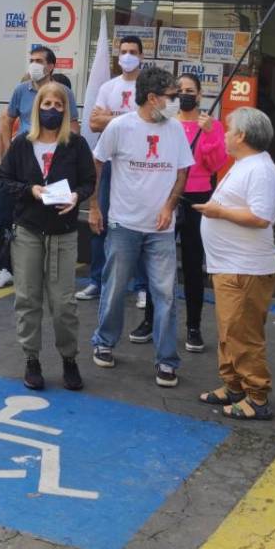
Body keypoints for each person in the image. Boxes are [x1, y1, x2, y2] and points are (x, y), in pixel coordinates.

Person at [88, 66, 193, 388]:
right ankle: (104, 341)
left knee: (165, 294)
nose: (177, 102)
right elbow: (98, 163)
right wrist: (94, 205)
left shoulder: (175, 130)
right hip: (123, 224)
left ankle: (166, 361)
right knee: (115, 288)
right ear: (152, 98)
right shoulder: (120, 127)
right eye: (172, 97)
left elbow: (182, 171)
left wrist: (168, 206)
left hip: (161, 228)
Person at [0, 82, 95, 391]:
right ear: (37, 107)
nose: (52, 109)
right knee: (27, 298)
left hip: (63, 234)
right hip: (27, 231)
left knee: (64, 303)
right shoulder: (22, 144)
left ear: (66, 110)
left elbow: (89, 181)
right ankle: (32, 359)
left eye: (58, 105)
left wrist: (78, 197)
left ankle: (69, 358)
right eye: (47, 104)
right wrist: (31, 190)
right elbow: (5, 178)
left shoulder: (76, 144)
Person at [129, 72, 226, 351]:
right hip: (167, 196)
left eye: (189, 90)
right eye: (179, 90)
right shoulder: (165, 123)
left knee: (194, 265)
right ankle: (150, 320)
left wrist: (208, 135)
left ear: (198, 96)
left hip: (198, 199)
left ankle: (193, 326)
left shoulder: (212, 125)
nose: (183, 94)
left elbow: (215, 162)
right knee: (156, 263)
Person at [196, 107, 275, 422]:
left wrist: (218, 213)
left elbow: (261, 217)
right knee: (228, 331)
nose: (226, 135)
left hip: (246, 268)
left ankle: (257, 397)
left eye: (229, 130)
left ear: (242, 136)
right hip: (229, 265)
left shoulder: (260, 169)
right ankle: (234, 386)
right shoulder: (245, 164)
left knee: (243, 334)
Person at [0, 46, 81, 289]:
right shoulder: (21, 90)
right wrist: (5, 152)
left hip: (50, 164)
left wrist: (70, 158)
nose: (34, 64)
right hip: (21, 162)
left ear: (51, 66)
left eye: (39, 61)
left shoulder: (63, 92)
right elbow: (7, 119)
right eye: (31, 60)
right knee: (6, 213)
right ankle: (5, 267)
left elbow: (73, 126)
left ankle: (44, 270)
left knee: (46, 217)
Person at [79, 34, 149, 303]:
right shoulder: (109, 87)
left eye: (133, 51)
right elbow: (95, 124)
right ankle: (97, 280)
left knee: (142, 224)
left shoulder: (147, 86)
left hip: (141, 165)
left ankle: (142, 286)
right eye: (123, 51)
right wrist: (130, 117)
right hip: (109, 163)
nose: (127, 56)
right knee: (100, 222)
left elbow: (151, 121)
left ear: (141, 55)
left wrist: (112, 117)